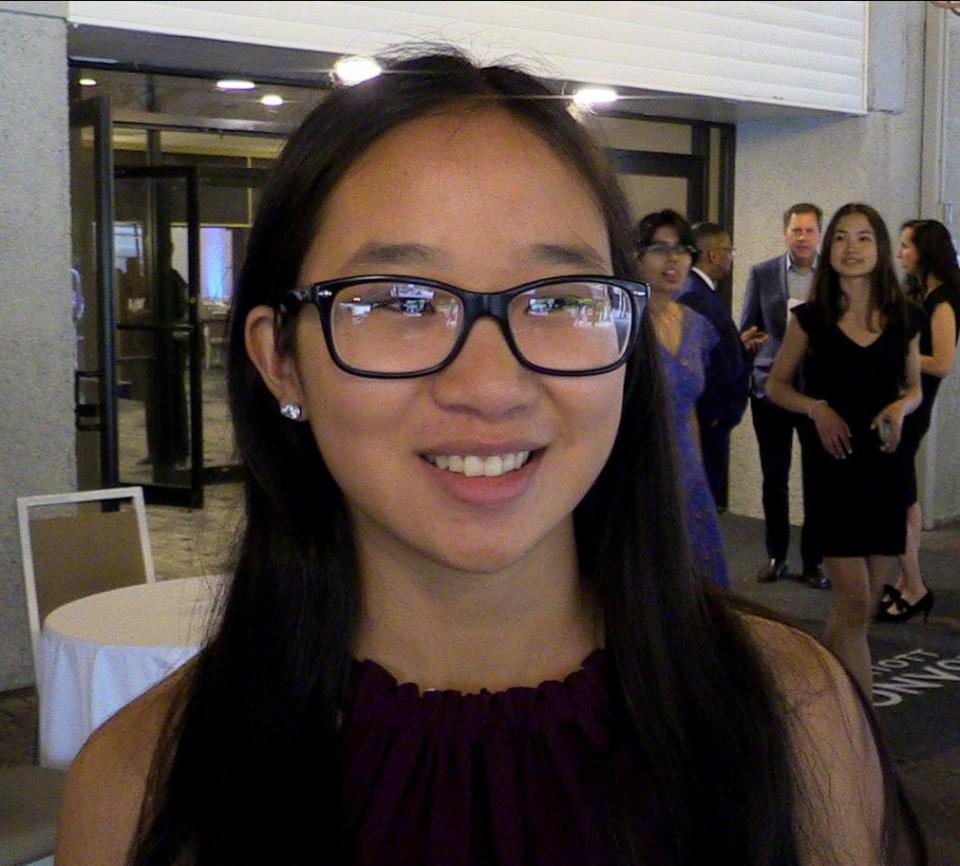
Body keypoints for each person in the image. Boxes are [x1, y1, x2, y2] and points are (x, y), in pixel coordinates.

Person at [57, 51, 925, 866]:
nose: (490, 384)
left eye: (558, 297)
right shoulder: (140, 788)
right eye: (399, 299)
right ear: (281, 357)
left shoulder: (789, 714)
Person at [766, 203, 922, 695]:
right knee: (853, 602)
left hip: (884, 464)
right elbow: (776, 386)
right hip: (832, 467)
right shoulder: (808, 319)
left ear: (880, 249)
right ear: (828, 246)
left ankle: (823, 691)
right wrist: (815, 408)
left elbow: (915, 387)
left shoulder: (904, 317)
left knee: (865, 606)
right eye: (841, 238)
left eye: (863, 239)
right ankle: (864, 723)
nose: (851, 249)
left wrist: (900, 408)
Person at [635, 210, 731, 589]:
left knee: (698, 575)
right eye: (660, 249)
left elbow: (690, 407)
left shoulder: (695, 325)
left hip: (686, 467)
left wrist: (697, 470)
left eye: (681, 250)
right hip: (637, 460)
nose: (672, 259)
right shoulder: (625, 320)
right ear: (638, 256)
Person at [740, 203, 828, 588]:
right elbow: (749, 327)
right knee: (774, 476)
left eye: (810, 231)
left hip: (818, 391)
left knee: (818, 479)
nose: (803, 237)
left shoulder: (834, 276)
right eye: (797, 231)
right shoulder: (762, 274)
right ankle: (776, 555)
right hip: (771, 386)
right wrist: (750, 343)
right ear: (785, 233)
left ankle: (814, 562)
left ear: (819, 235)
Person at [877, 219, 960, 622]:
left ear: (925, 251)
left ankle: (915, 584)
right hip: (905, 399)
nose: (900, 253)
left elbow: (942, 363)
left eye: (907, 246)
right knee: (904, 495)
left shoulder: (943, 300)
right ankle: (908, 577)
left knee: (895, 494)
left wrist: (898, 354)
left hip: (916, 404)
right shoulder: (918, 293)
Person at [677, 222, 750, 510]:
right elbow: (697, 363)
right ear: (713, 255)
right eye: (729, 250)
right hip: (708, 421)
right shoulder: (696, 296)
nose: (732, 256)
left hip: (713, 419)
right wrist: (715, 414)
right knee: (701, 504)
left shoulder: (702, 293)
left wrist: (740, 345)